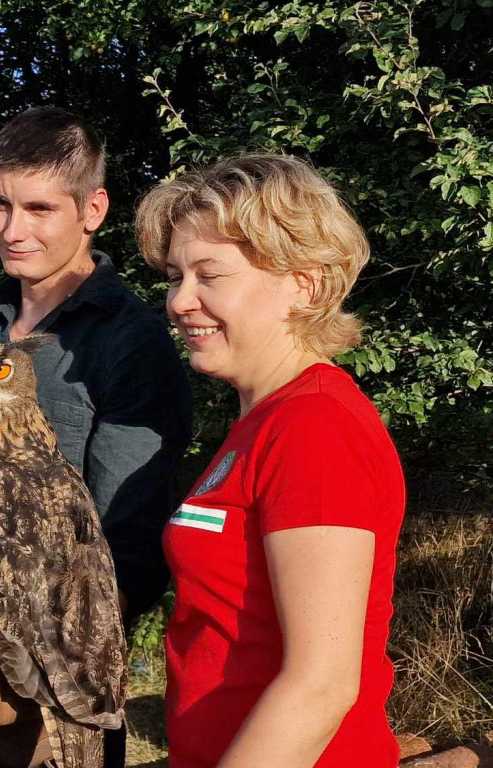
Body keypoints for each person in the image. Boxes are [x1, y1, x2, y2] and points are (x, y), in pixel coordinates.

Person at [0, 107, 192, 767]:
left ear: (92, 208)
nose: (12, 230)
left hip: (52, 687)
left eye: (39, 209)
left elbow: (127, 551)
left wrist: (27, 680)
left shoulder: (130, 344)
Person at [135, 155, 405, 768]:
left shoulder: (314, 427)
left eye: (210, 275)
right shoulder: (261, 423)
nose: (180, 301)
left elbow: (322, 685)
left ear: (304, 283)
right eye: (176, 276)